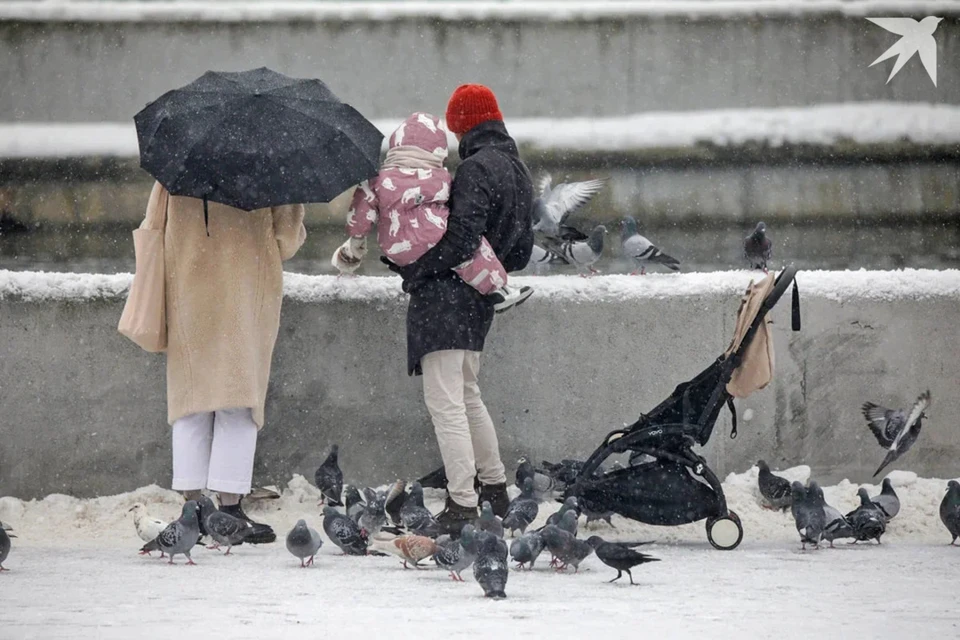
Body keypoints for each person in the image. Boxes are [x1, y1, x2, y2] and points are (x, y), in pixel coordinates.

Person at [387, 84, 535, 534]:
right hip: (478, 302)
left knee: (446, 404)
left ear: (462, 125)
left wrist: (414, 270)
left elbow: (460, 239)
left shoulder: (474, 169)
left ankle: (462, 504)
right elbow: (521, 252)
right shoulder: (517, 169)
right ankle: (494, 489)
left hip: (444, 302)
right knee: (469, 397)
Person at [139, 182, 306, 543]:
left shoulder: (179, 164)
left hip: (187, 287)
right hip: (244, 292)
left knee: (190, 402)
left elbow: (153, 226)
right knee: (238, 402)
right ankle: (229, 511)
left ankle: (192, 512)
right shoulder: (268, 163)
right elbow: (286, 241)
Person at [331, 112, 533, 313]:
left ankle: (350, 262)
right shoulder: (441, 177)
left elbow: (361, 211)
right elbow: (456, 211)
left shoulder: (377, 180)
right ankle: (497, 290)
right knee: (475, 251)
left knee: (461, 256)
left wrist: (357, 239)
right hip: (433, 236)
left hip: (394, 246)